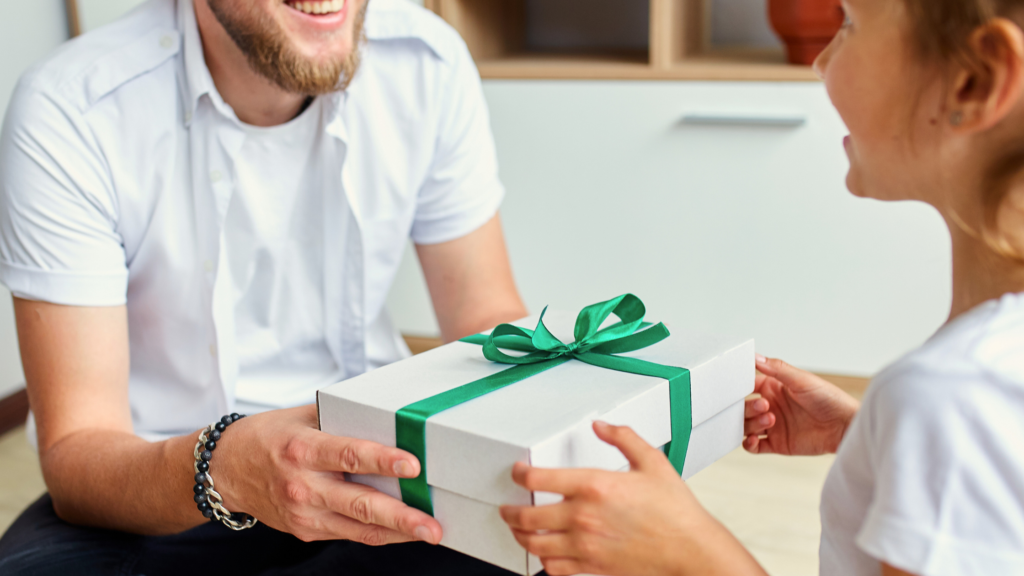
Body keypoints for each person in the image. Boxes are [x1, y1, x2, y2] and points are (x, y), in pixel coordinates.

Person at [0, 0, 527, 573]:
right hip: (167, 483)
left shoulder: (427, 60)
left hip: (376, 461)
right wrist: (227, 467)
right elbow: (78, 451)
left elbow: (483, 315)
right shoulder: (72, 108)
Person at [498, 0, 1024, 574]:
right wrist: (872, 437)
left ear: (977, 81)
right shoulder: (971, 389)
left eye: (850, 22)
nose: (821, 61)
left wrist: (691, 552)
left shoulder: (952, 396)